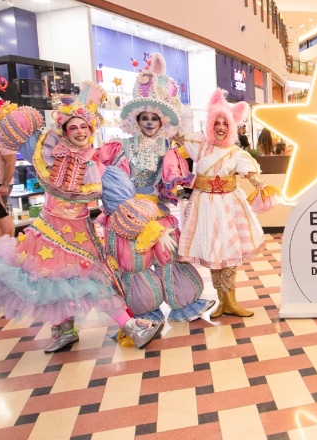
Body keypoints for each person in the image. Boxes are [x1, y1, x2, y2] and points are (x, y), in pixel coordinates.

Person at [0, 80, 164, 352]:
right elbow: (20, 127)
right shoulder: (48, 152)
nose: (79, 131)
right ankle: (65, 331)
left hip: (79, 233)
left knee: (94, 282)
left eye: (84, 126)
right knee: (54, 285)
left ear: (91, 130)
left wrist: (137, 220)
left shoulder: (97, 166)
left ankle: (131, 327)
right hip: (47, 232)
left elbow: (119, 200)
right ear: (64, 130)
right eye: (73, 127)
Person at [100, 53, 212, 323]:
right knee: (133, 263)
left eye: (154, 118)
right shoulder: (119, 148)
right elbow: (99, 174)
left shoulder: (169, 150)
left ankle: (182, 304)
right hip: (126, 217)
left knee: (167, 257)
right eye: (144, 117)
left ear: (163, 121)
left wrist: (194, 196)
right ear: (135, 120)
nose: (149, 122)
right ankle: (143, 309)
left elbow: (176, 188)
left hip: (158, 214)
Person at [178, 89, 281, 317]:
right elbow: (181, 133)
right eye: (217, 122)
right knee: (215, 253)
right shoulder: (200, 146)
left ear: (231, 127)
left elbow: (249, 173)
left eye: (225, 123)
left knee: (229, 250)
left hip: (228, 206)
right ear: (211, 124)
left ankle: (231, 301)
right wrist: (179, 109)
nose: (221, 127)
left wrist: (259, 185)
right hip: (204, 205)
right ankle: (221, 301)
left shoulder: (236, 152)